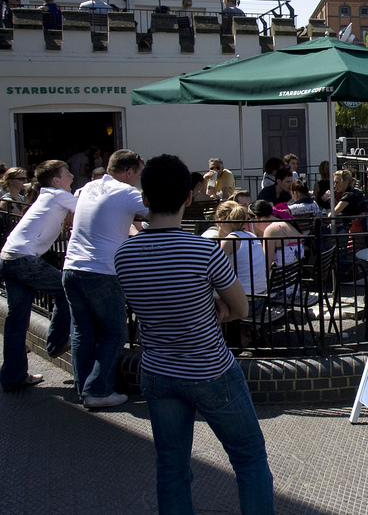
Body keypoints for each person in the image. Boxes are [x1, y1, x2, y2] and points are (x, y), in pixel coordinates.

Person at [113, 154, 274, 513]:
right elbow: (241, 309)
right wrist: (212, 313)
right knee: (249, 459)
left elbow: (151, 306)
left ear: (145, 198)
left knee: (170, 467)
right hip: (210, 369)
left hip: (157, 371)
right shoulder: (203, 250)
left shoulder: (124, 255)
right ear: (189, 197)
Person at [62, 149, 148, 409]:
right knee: (114, 331)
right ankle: (98, 390)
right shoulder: (126, 192)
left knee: (82, 332)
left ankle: (83, 388)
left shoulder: (87, 188)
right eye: (139, 175)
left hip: (71, 268)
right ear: (130, 172)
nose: (138, 180)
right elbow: (160, 212)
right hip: (101, 271)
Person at [0, 160, 76, 391]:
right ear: (56, 180)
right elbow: (89, 208)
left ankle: (13, 377)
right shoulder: (57, 195)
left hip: (8, 256)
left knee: (17, 319)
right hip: (24, 259)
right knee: (67, 289)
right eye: (67, 174)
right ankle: (56, 343)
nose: (72, 177)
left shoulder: (46, 195)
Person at [214, 201, 267, 300]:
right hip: (261, 297)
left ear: (221, 222)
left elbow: (217, 271)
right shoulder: (251, 236)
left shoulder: (229, 241)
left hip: (245, 301)